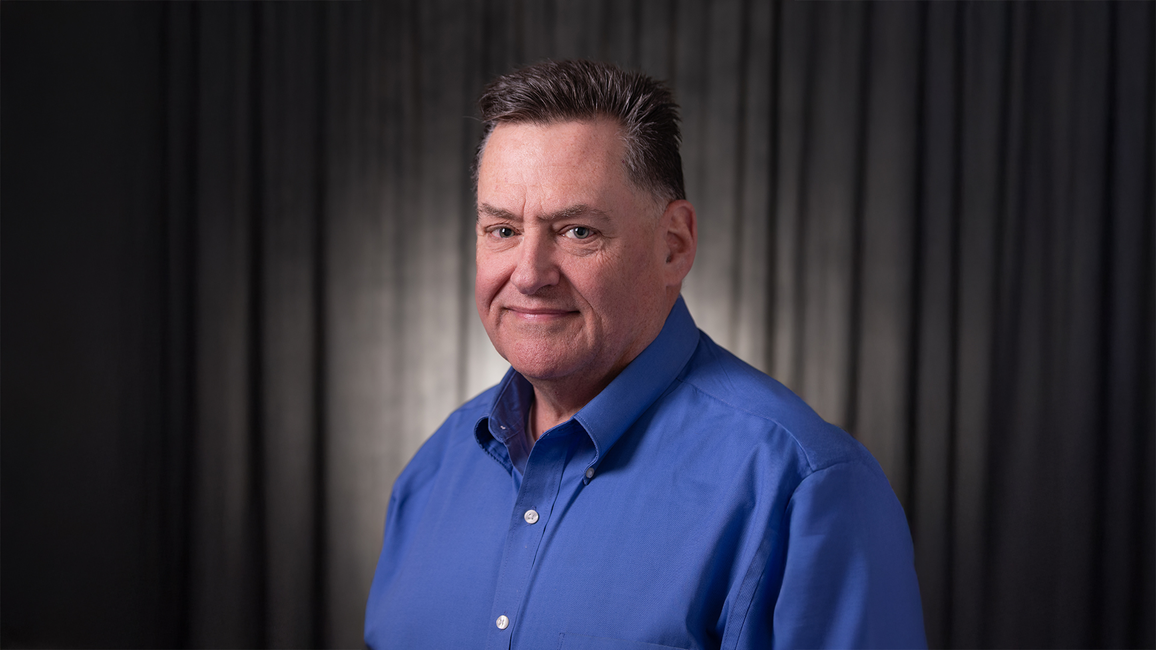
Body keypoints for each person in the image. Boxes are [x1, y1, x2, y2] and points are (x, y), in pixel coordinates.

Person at [364, 59, 926, 650]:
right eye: (503, 230)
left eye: (578, 231)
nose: (528, 275)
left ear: (673, 245)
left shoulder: (802, 489)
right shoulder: (434, 472)